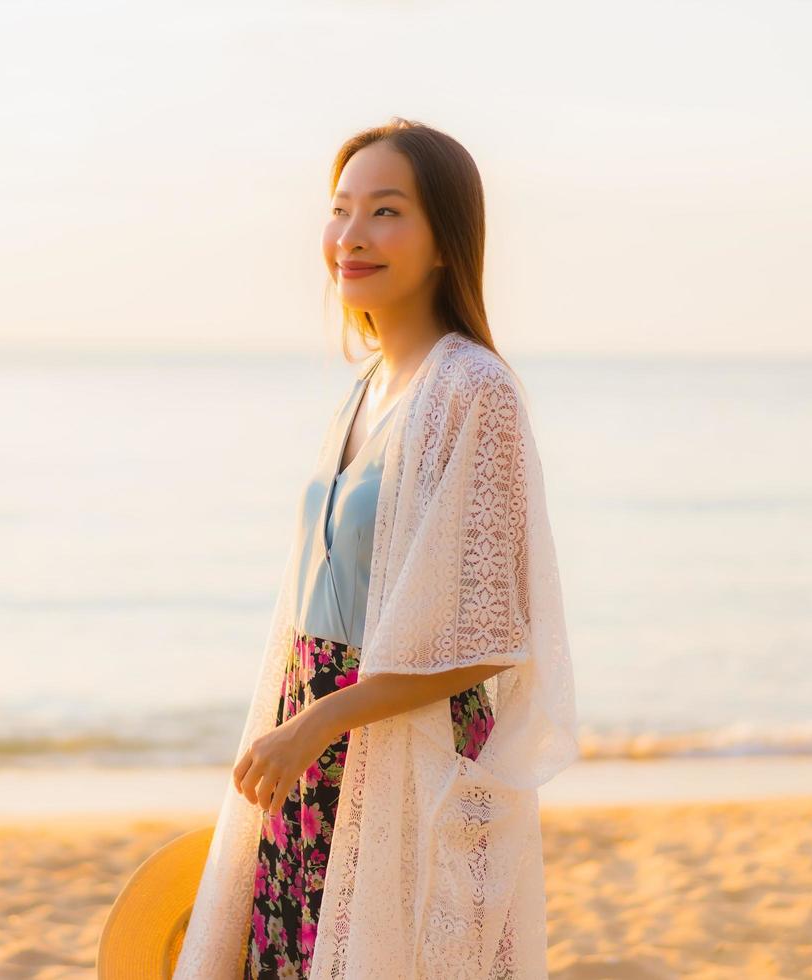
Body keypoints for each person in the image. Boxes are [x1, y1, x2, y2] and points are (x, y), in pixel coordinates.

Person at [172, 118, 580, 980]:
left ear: (444, 242)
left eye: (386, 211)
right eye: (340, 209)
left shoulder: (475, 393)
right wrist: (298, 727)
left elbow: (484, 639)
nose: (351, 237)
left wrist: (316, 723)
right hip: (312, 744)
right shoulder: (364, 389)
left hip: (397, 746)